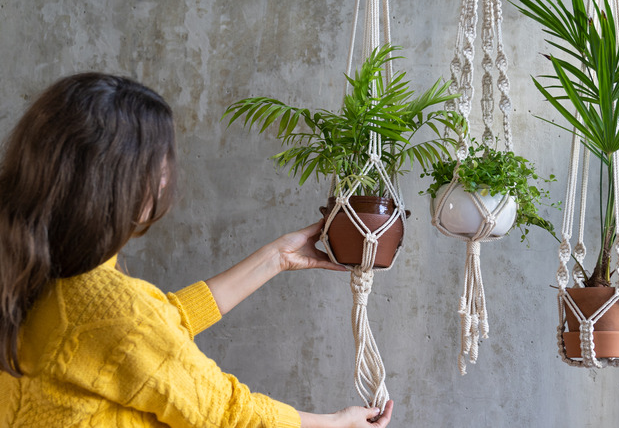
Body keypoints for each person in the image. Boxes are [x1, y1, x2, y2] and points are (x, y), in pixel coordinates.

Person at [0, 72, 394, 427]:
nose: (166, 178)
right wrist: (336, 424)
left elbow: (151, 327)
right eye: (161, 166)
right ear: (123, 183)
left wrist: (277, 257)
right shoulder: (109, 308)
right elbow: (222, 411)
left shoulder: (30, 276)